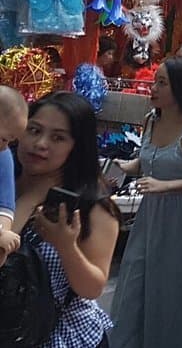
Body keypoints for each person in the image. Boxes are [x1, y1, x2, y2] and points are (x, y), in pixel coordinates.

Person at [110, 56, 182, 348]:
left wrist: (163, 186)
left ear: (181, 88)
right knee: (133, 287)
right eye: (154, 80)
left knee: (171, 293)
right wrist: (123, 167)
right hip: (148, 219)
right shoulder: (151, 121)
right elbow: (146, 162)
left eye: (162, 83)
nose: (152, 88)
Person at [12, 92, 122, 347]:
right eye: (34, 129)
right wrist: (30, 198)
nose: (40, 143)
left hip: (62, 335)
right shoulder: (5, 181)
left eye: (58, 137)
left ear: (77, 147)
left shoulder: (92, 206)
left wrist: (66, 246)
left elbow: (92, 288)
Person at [0, 85, 27, 263]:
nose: (4, 146)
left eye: (10, 141)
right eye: (3, 138)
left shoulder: (3, 157)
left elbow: (5, 213)